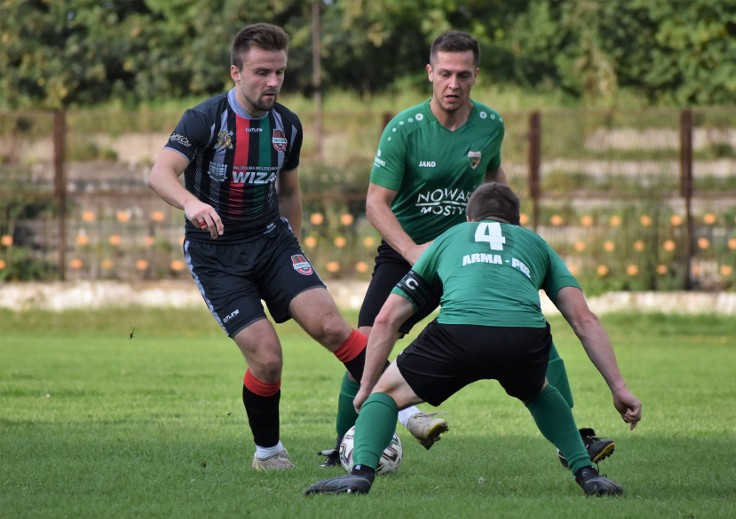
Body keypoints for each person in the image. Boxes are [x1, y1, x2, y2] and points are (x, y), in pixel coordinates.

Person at [321, 30, 614, 468]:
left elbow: (497, 186)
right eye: (444, 74)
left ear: (476, 75)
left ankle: (574, 437)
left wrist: (515, 242)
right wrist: (413, 252)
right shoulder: (403, 128)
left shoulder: (491, 125)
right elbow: (375, 205)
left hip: (474, 257)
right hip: (410, 254)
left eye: (462, 74)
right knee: (364, 344)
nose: (453, 84)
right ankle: (345, 444)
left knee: (535, 332)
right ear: (429, 74)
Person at [305, 183, 642, 497]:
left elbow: (386, 318)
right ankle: (588, 474)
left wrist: (365, 388)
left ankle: (360, 474)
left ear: (469, 218)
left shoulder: (451, 237)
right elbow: (584, 320)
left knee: (385, 394)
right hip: (524, 338)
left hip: (458, 334)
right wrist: (618, 387)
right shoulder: (536, 243)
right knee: (539, 391)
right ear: (517, 222)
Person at [148, 23, 377, 471]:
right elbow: (160, 174)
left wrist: (296, 245)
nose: (272, 82)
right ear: (236, 72)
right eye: (260, 72)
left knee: (331, 326)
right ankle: (268, 453)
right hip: (217, 255)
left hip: (272, 241)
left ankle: (402, 408)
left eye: (279, 72)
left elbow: (289, 190)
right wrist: (192, 204)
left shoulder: (287, 125)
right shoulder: (205, 119)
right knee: (268, 359)